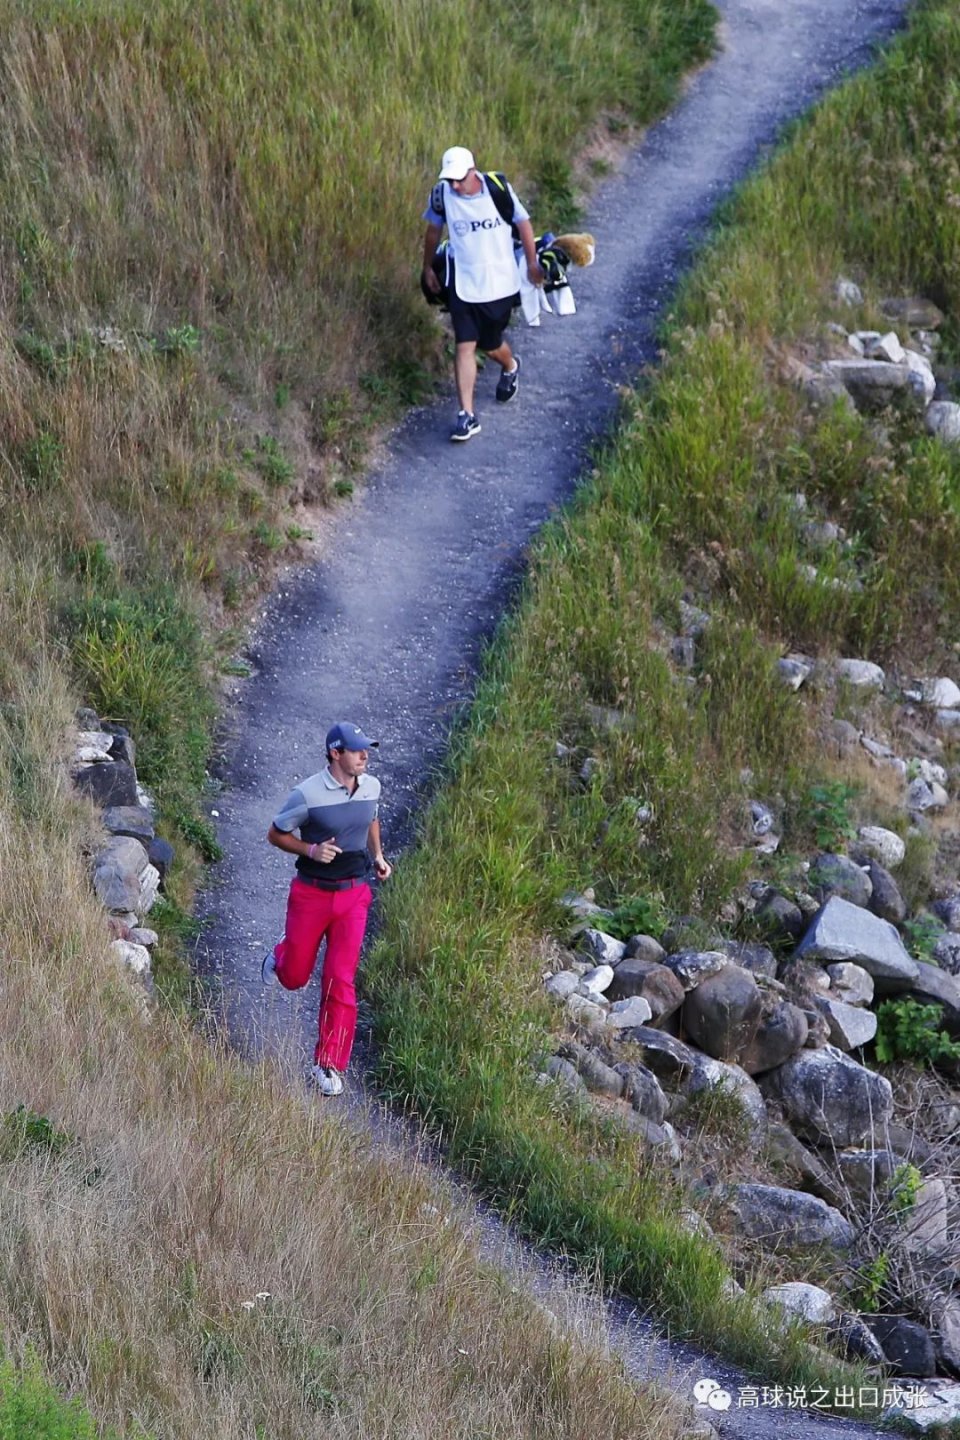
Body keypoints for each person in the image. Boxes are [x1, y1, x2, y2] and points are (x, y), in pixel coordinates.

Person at [261, 721, 392, 1096]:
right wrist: (311, 850)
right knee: (295, 977)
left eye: (366, 749)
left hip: (354, 895)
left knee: (340, 979)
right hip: (311, 894)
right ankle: (282, 954)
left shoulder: (371, 786)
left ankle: (328, 1064)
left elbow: (372, 818)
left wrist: (378, 857)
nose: (364, 756)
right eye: (356, 750)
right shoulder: (307, 794)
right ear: (336, 753)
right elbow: (275, 833)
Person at [422, 145, 543, 443]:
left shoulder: (497, 189)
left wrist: (532, 263)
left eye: (458, 179)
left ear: (472, 172)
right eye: (449, 179)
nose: (453, 184)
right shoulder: (442, 195)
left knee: (490, 345)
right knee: (464, 345)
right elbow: (432, 233)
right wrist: (427, 268)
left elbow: (523, 224)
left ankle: (510, 366)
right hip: (464, 284)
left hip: (500, 284)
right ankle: (467, 415)